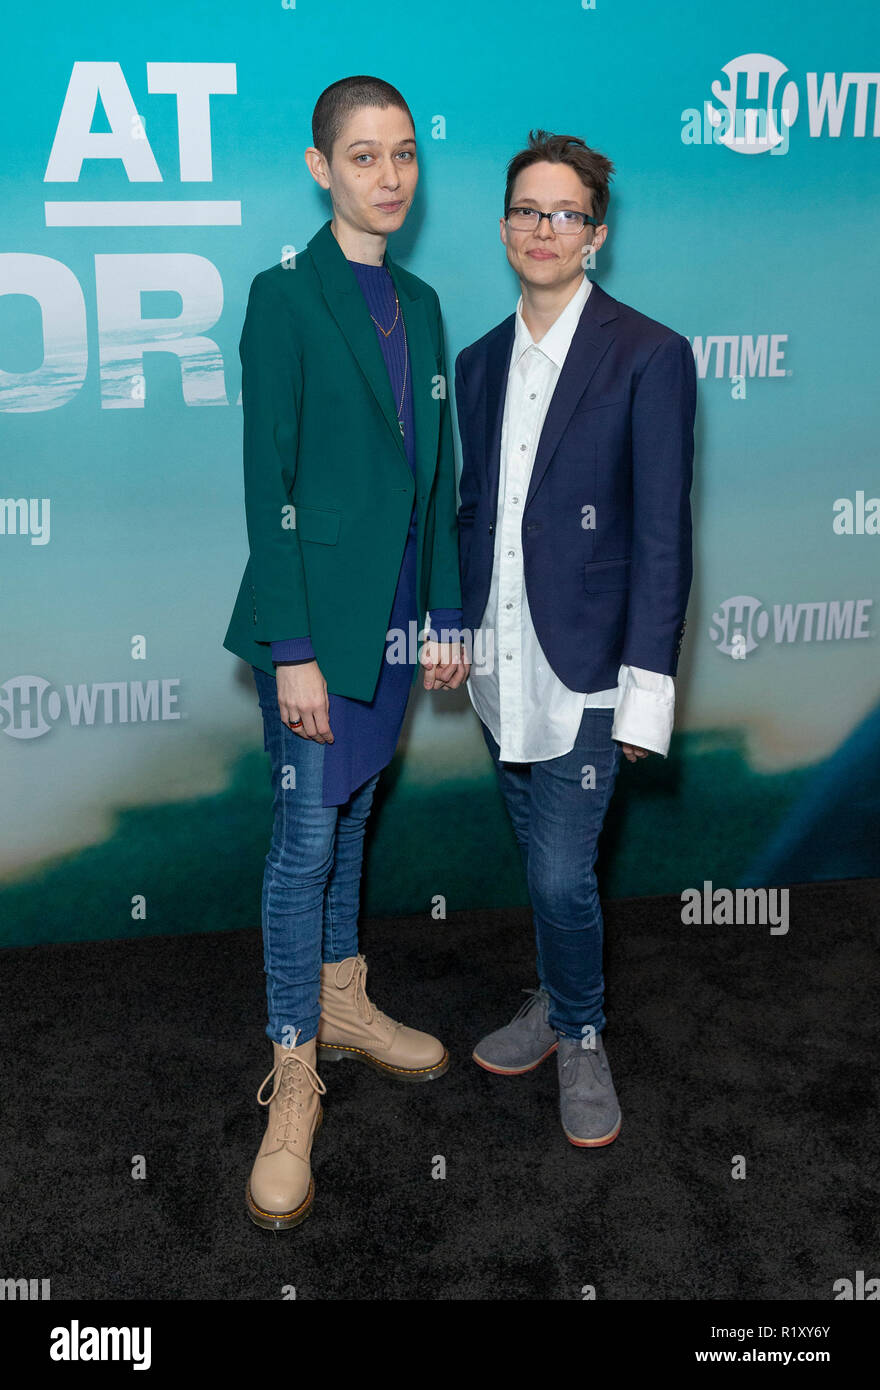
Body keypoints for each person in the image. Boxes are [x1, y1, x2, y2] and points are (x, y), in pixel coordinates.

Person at [223, 76, 468, 1229]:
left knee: (356, 818)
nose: (388, 175)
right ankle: (293, 1074)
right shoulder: (283, 298)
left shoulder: (420, 303)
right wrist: (294, 648)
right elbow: (263, 486)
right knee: (303, 843)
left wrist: (447, 615)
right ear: (321, 168)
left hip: (397, 620)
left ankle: (345, 1004)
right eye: (363, 156)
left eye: (404, 154)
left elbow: (440, 482)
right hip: (316, 626)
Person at [455, 130, 696, 1147]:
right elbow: (473, 510)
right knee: (540, 860)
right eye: (523, 210)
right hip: (498, 664)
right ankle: (557, 999)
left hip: (591, 668)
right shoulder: (473, 362)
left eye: (562, 214)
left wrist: (646, 692)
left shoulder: (648, 353)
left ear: (593, 234)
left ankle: (582, 1028)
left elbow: (659, 534)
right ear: (504, 224)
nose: (539, 230)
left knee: (561, 874)